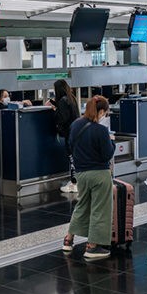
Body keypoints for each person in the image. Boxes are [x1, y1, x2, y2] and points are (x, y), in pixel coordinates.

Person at [62, 95, 115, 261]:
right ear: (100, 111)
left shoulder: (76, 124)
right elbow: (107, 154)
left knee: (82, 205)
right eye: (105, 113)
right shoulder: (100, 130)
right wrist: (111, 142)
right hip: (99, 174)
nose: (104, 116)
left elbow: (70, 145)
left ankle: (68, 240)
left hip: (81, 174)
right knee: (100, 209)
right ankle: (93, 247)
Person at [48, 79, 80, 194]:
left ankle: (74, 183)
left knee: (72, 159)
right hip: (76, 132)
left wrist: (55, 111)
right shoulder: (71, 98)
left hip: (69, 134)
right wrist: (54, 103)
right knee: (75, 158)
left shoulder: (63, 100)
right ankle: (77, 182)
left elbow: (62, 118)